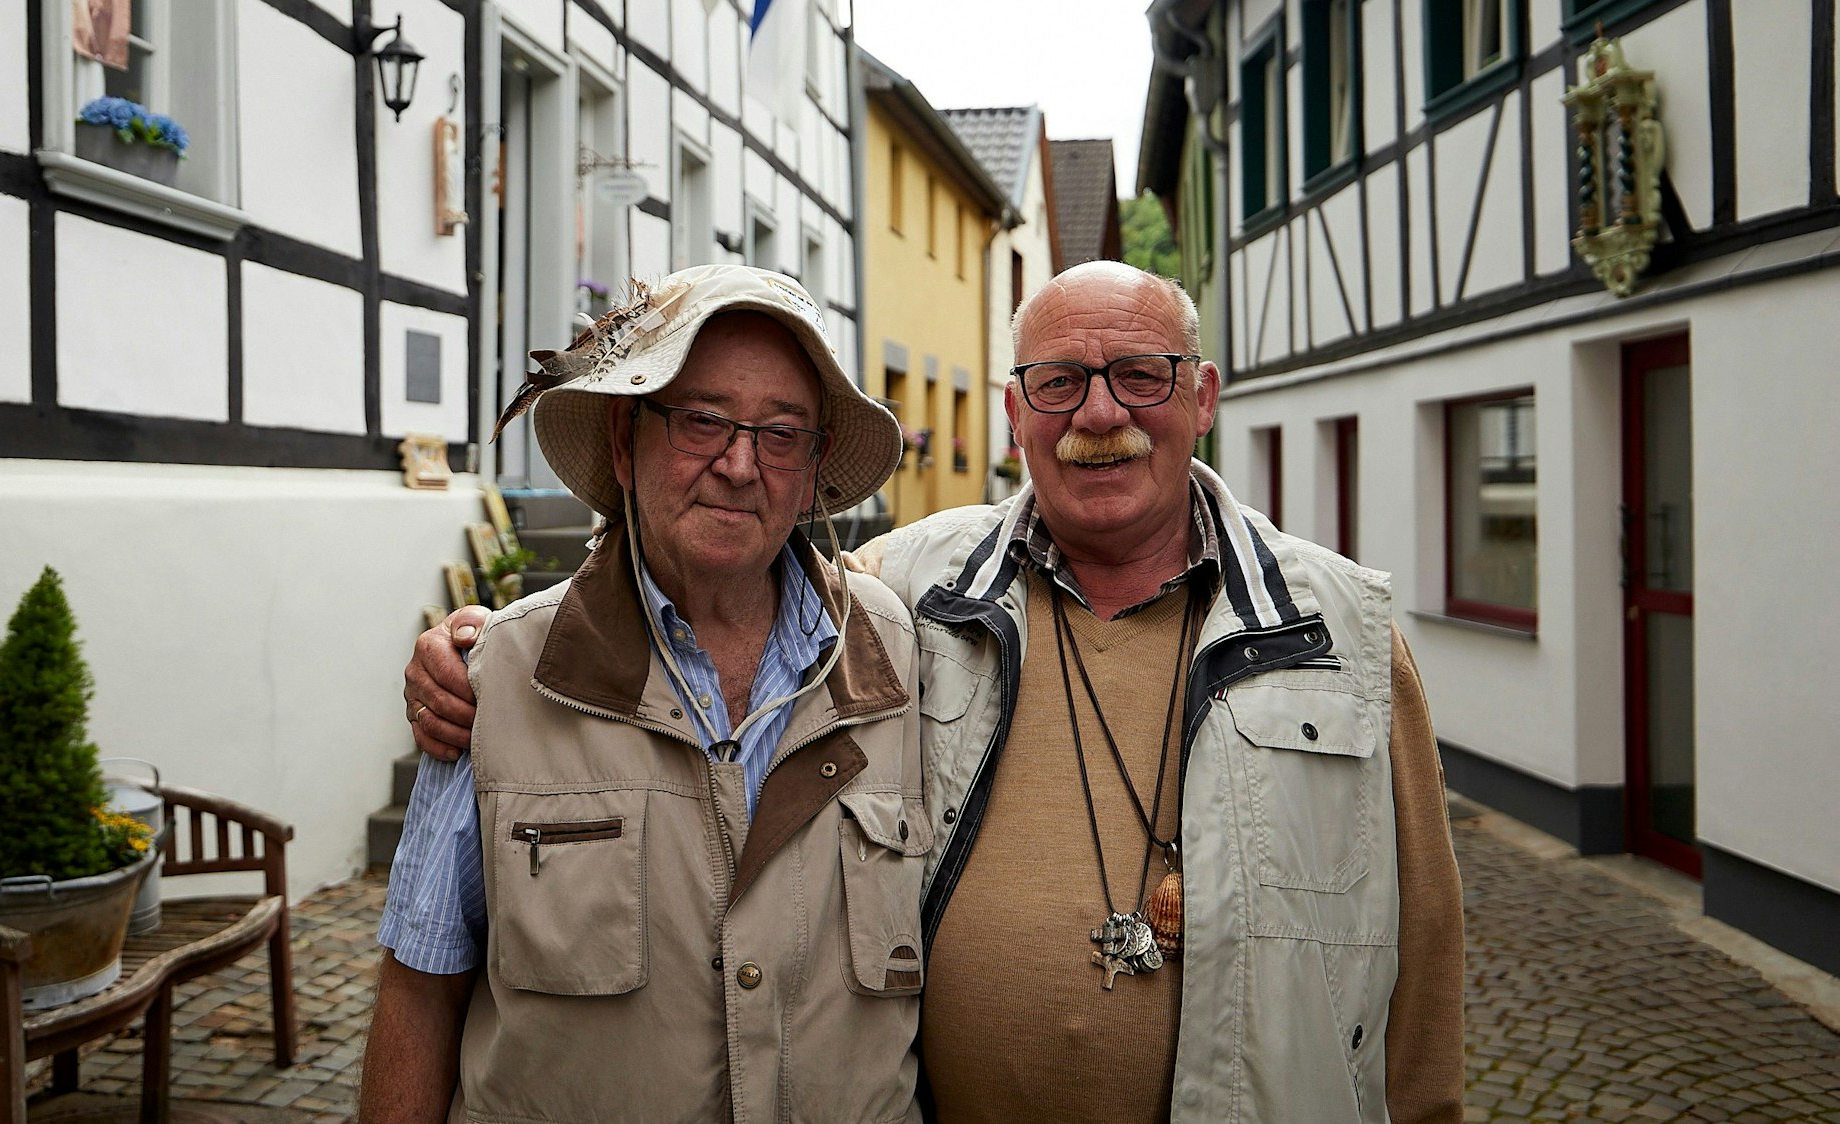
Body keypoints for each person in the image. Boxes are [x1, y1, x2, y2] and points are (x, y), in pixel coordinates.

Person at [405, 261, 1467, 1123]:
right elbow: (720, 579)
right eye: (1057, 381)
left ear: (1201, 394)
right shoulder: (915, 590)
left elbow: (1421, 961)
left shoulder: (1342, 633)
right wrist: (480, 643)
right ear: (1015, 412)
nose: (1099, 413)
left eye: (1140, 373)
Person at [365, 264, 925, 1123]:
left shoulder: (901, 654)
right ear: (625, 443)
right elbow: (420, 987)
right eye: (702, 421)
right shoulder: (503, 675)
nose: (741, 465)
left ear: (813, 472)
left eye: (782, 435)